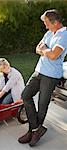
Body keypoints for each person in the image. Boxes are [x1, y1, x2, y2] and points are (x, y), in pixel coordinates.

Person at [18, 9, 67, 147]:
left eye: (46, 23)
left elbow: (53, 55)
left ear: (55, 22)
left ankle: (32, 131)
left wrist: (44, 50)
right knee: (26, 95)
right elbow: (37, 49)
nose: (45, 26)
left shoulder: (64, 35)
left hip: (51, 75)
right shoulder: (49, 33)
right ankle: (36, 129)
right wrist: (46, 50)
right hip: (39, 71)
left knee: (42, 105)